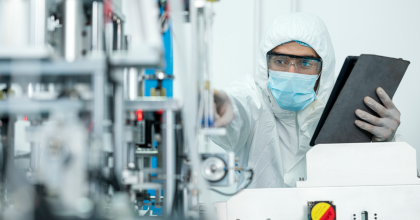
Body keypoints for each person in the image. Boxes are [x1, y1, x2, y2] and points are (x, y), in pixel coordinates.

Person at [211, 13, 402, 189]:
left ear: (323, 70)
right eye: (280, 61)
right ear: (265, 64)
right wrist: (217, 106)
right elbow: (237, 105)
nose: (291, 73)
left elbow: (388, 187)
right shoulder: (253, 99)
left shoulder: (347, 114)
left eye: (305, 63)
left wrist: (386, 144)